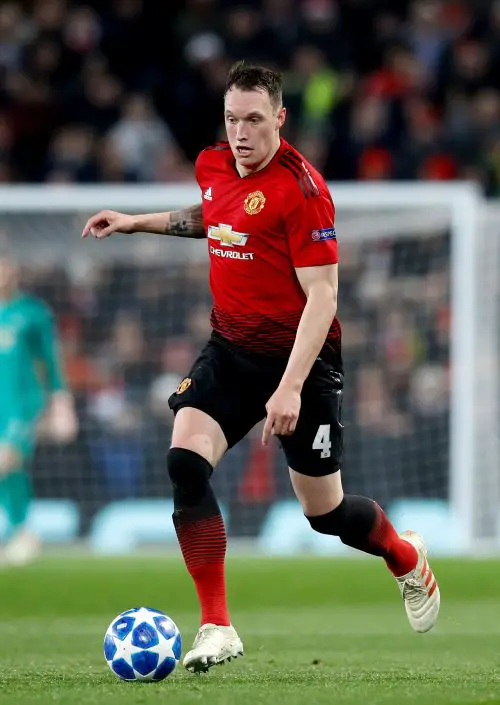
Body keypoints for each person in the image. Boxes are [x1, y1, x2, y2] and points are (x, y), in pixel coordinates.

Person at [82, 61, 440, 673]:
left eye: (253, 120)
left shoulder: (303, 190)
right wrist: (136, 222)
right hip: (230, 350)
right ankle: (217, 625)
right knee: (184, 462)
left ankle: (405, 557)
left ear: (280, 118)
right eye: (232, 119)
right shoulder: (212, 164)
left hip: (303, 360)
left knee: (325, 514)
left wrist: (291, 388)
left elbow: (323, 296)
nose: (241, 133)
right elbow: (215, 216)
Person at [0, 252, 78, 565]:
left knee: (6, 460)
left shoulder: (32, 313)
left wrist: (62, 402)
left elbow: (50, 359)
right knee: (11, 468)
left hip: (22, 403)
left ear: (13, 271)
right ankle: (20, 533)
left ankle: (23, 532)